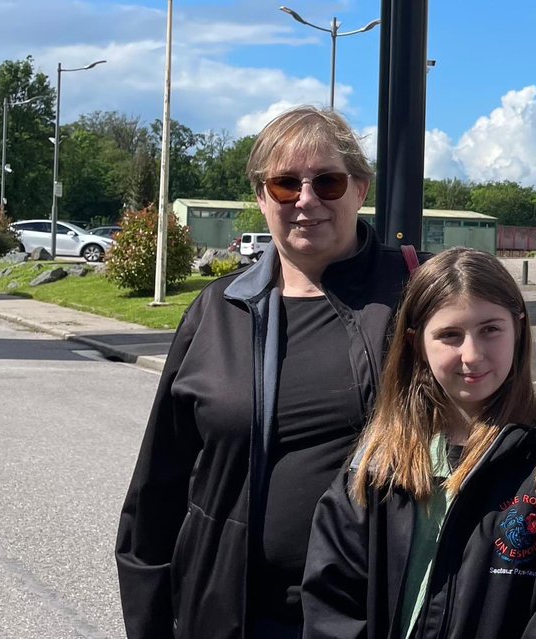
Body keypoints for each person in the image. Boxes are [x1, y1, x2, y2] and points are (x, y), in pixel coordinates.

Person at [115, 105, 424, 638]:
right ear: (262, 197)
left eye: (327, 182)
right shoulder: (217, 314)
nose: (306, 200)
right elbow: (158, 487)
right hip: (232, 613)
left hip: (374, 613)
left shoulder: (414, 298)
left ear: (360, 188)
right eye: (285, 185)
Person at [301, 247, 536, 639]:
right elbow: (332, 598)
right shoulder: (378, 458)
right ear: (416, 344)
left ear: (519, 329)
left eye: (490, 330)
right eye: (449, 335)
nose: (472, 355)